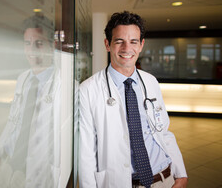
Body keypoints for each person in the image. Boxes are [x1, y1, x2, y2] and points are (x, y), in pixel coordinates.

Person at [78, 11, 188, 188]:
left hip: (164, 178)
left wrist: (181, 174)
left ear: (141, 45)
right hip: (121, 182)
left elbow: (164, 131)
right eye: (119, 41)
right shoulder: (88, 90)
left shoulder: (150, 81)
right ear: (108, 44)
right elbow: (86, 153)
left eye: (133, 41)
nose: (126, 48)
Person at [0, 14, 61, 188]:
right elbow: (13, 120)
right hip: (9, 164)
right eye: (27, 44)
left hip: (39, 172)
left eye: (39, 43)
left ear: (52, 46)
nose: (32, 50)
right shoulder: (23, 79)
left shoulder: (65, 86)